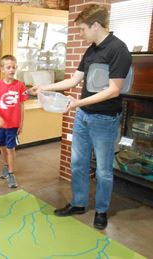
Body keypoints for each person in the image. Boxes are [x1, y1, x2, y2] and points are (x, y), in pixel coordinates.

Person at [29, 4, 132, 230]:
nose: (80, 34)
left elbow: (114, 90)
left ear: (95, 26)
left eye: (82, 29)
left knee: (104, 170)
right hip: (83, 116)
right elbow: (73, 81)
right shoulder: (91, 50)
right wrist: (45, 87)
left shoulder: (118, 50)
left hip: (105, 119)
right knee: (78, 163)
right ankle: (78, 203)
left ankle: (102, 211)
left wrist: (77, 103)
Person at [0, 55, 28, 188]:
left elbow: (22, 106)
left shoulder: (20, 85)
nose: (12, 70)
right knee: (2, 146)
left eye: (14, 67)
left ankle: (11, 174)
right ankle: (6, 166)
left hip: (13, 125)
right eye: (8, 67)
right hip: (1, 125)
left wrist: (21, 123)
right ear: (2, 69)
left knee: (11, 149)